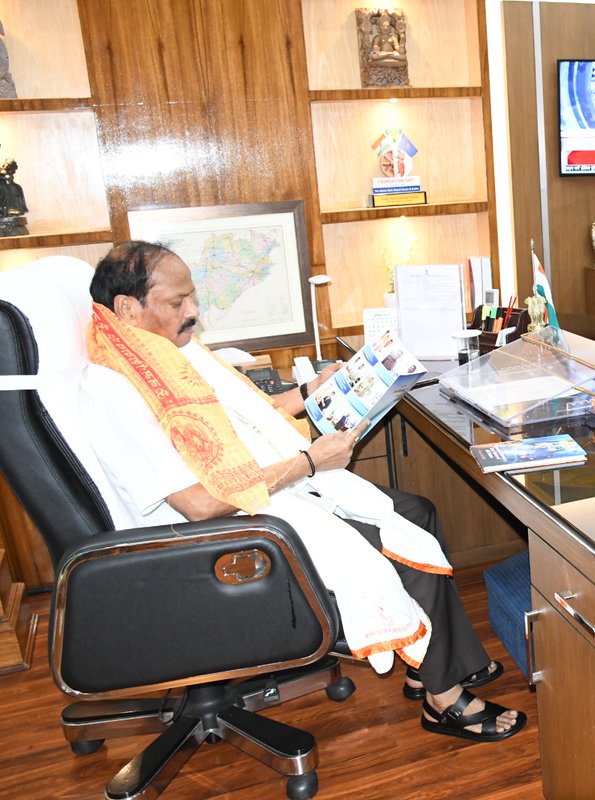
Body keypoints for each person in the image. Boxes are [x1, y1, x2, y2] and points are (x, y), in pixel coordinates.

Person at [83, 241, 524, 743]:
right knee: (395, 533)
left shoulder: (165, 357)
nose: (194, 312)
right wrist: (308, 462)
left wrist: (311, 391)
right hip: (216, 542)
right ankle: (443, 700)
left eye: (193, 297)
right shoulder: (117, 389)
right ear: (127, 308)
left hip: (257, 499)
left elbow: (240, 423)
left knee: (416, 511)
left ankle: (433, 666)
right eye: (176, 302)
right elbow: (200, 504)